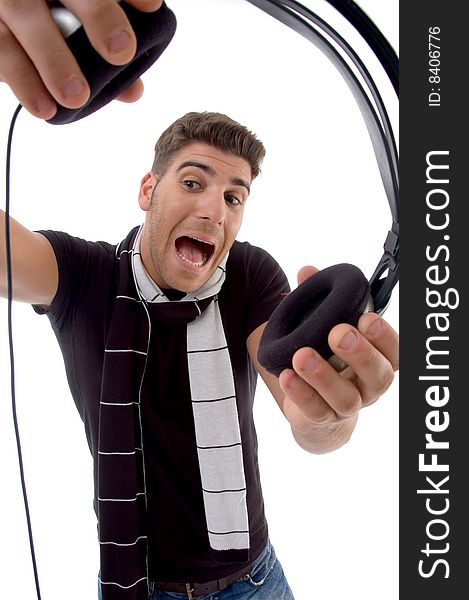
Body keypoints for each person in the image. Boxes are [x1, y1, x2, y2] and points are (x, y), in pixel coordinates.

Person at [0, 4, 399, 600]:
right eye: (194, 182)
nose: (216, 209)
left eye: (234, 196)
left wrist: (327, 415)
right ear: (148, 189)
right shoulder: (81, 274)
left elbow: (302, 412)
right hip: (143, 588)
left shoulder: (249, 272)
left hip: (257, 582)